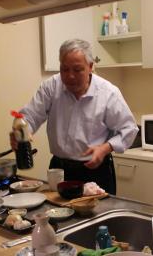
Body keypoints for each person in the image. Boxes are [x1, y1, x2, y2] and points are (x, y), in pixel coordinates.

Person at [10, 38, 138, 194]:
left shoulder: (108, 93)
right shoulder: (51, 87)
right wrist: (20, 132)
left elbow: (129, 129)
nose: (70, 76)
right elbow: (30, 116)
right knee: (57, 214)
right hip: (59, 169)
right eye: (65, 69)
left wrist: (105, 148)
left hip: (95, 170)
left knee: (99, 215)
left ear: (90, 67)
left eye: (77, 70)